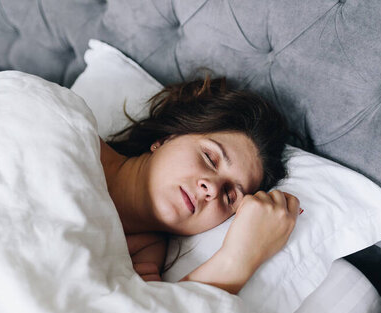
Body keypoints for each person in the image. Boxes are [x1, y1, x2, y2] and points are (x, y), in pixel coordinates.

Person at [99, 76, 300, 295]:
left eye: (229, 196)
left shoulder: (143, 259)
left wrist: (239, 257)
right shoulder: (73, 132)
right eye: (209, 158)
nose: (212, 189)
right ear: (167, 138)